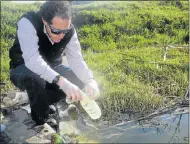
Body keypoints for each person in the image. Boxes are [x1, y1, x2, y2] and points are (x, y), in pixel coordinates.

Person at [9, 1, 100, 125]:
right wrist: (62, 82)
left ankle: (40, 101)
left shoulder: (69, 32)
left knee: (78, 79)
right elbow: (32, 60)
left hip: (53, 67)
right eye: (56, 31)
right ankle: (41, 119)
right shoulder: (27, 22)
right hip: (23, 68)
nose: (62, 36)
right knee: (35, 78)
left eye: (65, 31)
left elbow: (77, 60)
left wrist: (90, 80)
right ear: (44, 21)